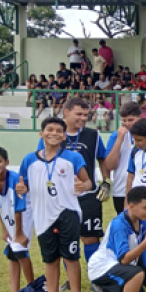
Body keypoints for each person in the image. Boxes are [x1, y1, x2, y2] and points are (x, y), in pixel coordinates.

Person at [54, 186, 146, 292]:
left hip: (115, 269)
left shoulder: (139, 220)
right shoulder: (119, 225)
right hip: (101, 269)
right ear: (131, 206)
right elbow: (124, 260)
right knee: (137, 273)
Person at [18, 117, 93, 292]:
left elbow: (88, 183)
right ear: (41, 134)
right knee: (50, 260)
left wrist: (82, 186)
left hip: (68, 213)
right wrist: (21, 188)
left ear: (63, 135)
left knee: (71, 257)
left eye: (59, 131)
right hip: (42, 217)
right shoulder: (29, 160)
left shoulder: (73, 158)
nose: (54, 133)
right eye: (49, 129)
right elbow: (22, 186)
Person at [37, 97, 111, 273]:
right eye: (79, 114)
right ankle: (71, 280)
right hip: (61, 198)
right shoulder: (52, 135)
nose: (83, 118)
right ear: (66, 113)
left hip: (89, 195)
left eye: (86, 115)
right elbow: (42, 162)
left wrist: (106, 181)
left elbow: (102, 159)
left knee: (91, 238)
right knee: (66, 239)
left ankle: (96, 277)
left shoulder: (93, 135)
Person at [0, 146, 35, 292]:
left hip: (25, 213)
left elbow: (19, 208)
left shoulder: (15, 179)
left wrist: (19, 233)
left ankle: (33, 290)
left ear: (6, 162)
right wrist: (4, 230)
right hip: (10, 217)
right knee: (12, 253)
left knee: (19, 249)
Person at [105, 103, 144, 212]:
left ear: (140, 117)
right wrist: (119, 140)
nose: (127, 124)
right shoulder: (115, 136)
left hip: (145, 188)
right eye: (124, 120)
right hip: (121, 190)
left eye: (131, 120)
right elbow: (109, 165)